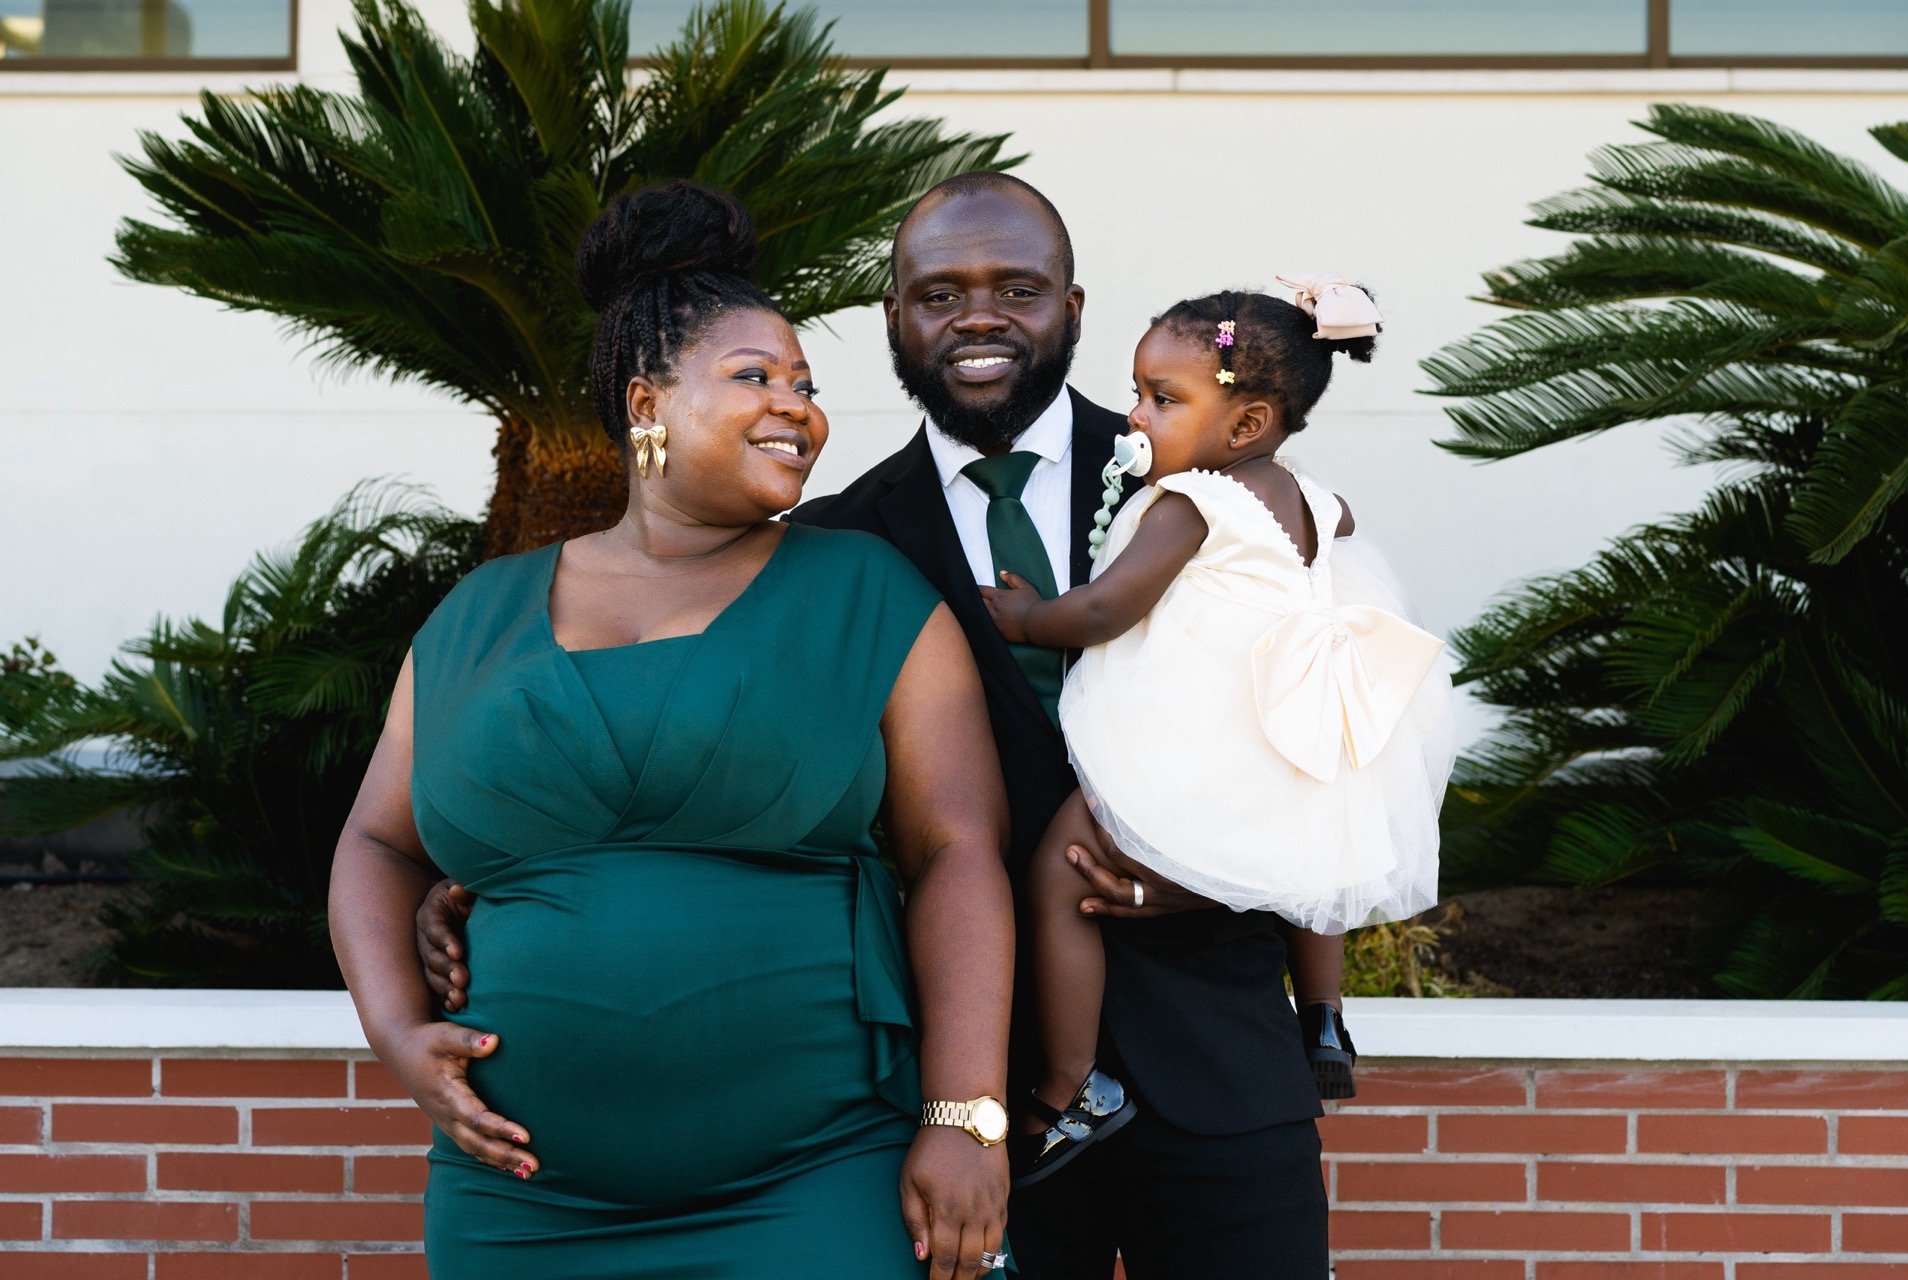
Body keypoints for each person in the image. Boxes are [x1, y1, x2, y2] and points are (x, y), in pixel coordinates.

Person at [420, 173, 1337, 1278]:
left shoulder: (1218, 478)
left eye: (1019, 288)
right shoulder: (828, 546)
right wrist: (493, 864)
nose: (980, 316)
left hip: (1215, 1055)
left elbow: (1334, 730)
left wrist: (1213, 874)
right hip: (963, 1100)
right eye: (940, 293)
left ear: (1075, 309)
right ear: (894, 320)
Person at [328, 181, 1017, 1280]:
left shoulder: (864, 592)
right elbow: (376, 842)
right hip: (520, 1198)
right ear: (646, 401)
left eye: (806, 384)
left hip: (814, 1178)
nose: (798, 406)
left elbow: (956, 855)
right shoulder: (479, 615)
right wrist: (397, 1034)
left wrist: (966, 1112)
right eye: (755, 377)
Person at [979, 281, 1456, 1186]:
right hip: (1291, 728)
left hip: (1202, 736)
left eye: (1164, 399)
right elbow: (1344, 522)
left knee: (1058, 876)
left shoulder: (1191, 505)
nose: (1137, 415)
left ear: (1244, 426)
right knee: (1321, 851)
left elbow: (1112, 606)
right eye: (1139, 391)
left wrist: (1030, 618)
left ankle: (1071, 1084)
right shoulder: (1311, 497)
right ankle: (1321, 1015)